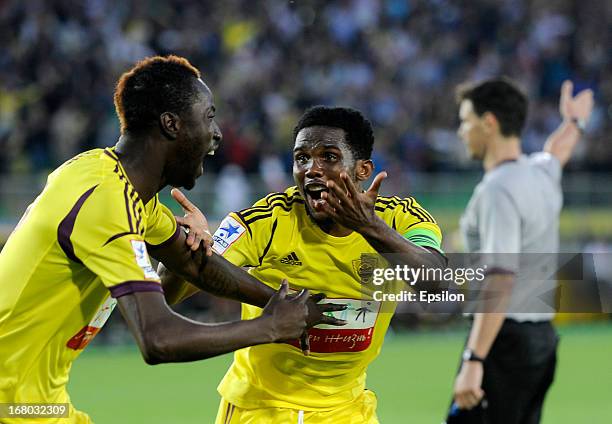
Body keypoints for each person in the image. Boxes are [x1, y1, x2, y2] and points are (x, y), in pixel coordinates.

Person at [0, 56, 341, 424]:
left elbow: (194, 263)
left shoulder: (127, 192)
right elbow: (157, 339)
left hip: (35, 403)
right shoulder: (104, 198)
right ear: (171, 124)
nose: (218, 134)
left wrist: (284, 302)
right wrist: (270, 326)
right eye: (209, 117)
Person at [162, 106, 447, 423]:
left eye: (329, 157)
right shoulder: (267, 220)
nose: (312, 168)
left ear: (363, 170)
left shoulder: (400, 218)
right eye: (302, 158)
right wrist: (184, 247)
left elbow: (438, 283)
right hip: (258, 409)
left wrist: (369, 227)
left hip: (347, 411)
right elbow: (171, 291)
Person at [447, 78, 594, 423]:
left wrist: (474, 360)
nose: (460, 132)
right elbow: (559, 149)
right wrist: (575, 122)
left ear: (489, 123)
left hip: (503, 340)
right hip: (540, 338)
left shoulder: (498, 190)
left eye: (466, 121)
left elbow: (500, 280)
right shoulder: (539, 172)